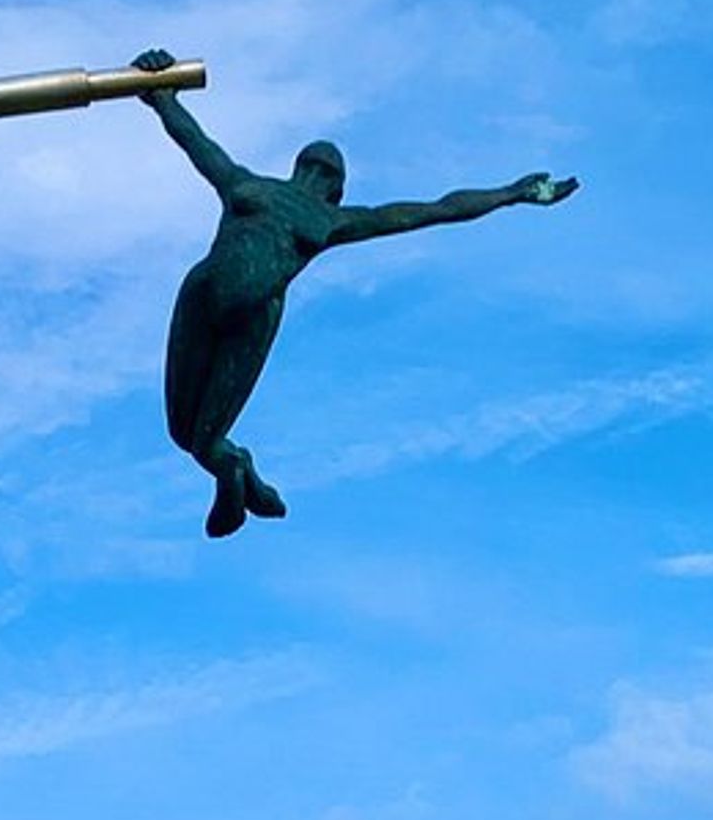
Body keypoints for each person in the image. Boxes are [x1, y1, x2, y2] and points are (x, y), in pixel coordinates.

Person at [129, 49, 579, 537]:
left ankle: (235, 471)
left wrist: (512, 193)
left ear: (328, 187)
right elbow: (196, 142)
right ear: (316, 177)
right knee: (186, 435)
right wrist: (161, 93)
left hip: (251, 315)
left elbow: (435, 210)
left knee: (201, 442)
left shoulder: (317, 215)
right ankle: (239, 470)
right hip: (204, 293)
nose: (318, 177)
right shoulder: (262, 190)